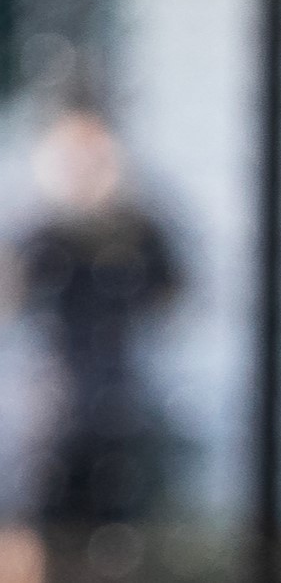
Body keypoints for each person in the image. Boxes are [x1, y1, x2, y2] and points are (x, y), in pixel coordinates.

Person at [1, 108, 183, 583]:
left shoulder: (139, 230)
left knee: (113, 542)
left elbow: (173, 294)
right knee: (32, 532)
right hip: (47, 415)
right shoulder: (37, 233)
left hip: (118, 412)